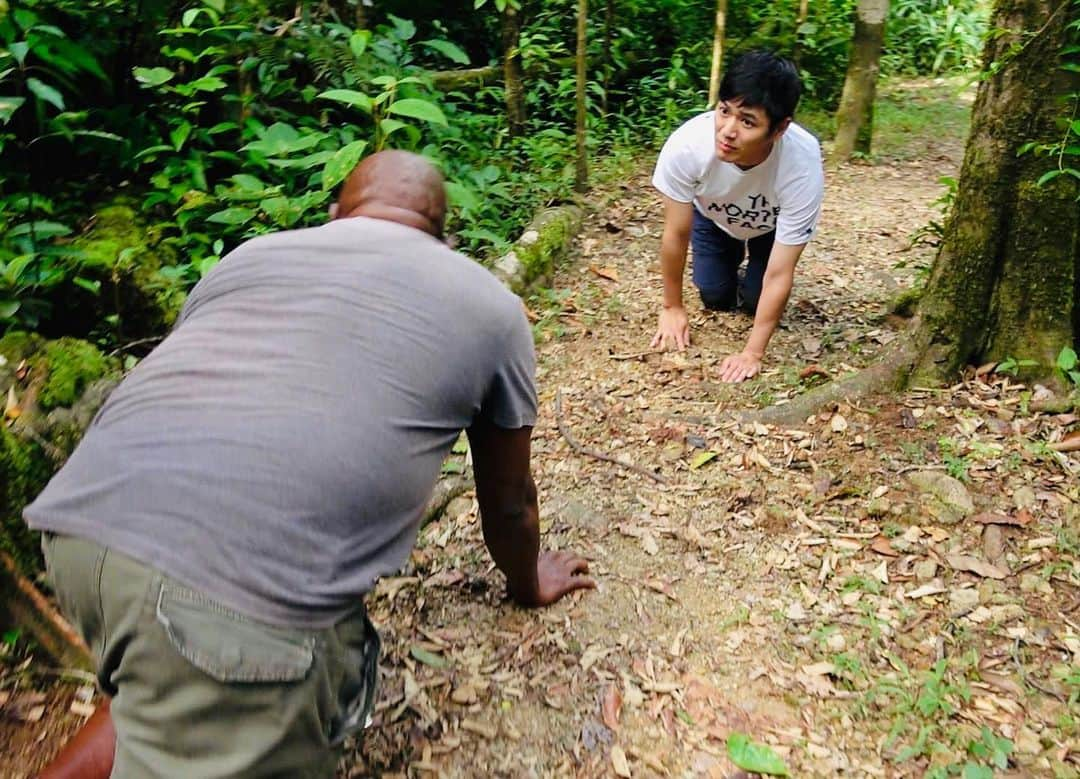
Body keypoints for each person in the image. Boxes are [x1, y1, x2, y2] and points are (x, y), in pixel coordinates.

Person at [25, 150, 595, 778]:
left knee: (169, 675)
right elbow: (509, 501)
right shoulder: (489, 305)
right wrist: (526, 579)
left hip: (79, 530)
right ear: (446, 238)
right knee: (197, 655)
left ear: (333, 217)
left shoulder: (250, 257)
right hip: (230, 590)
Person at [650, 50, 825, 383]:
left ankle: (751, 272)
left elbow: (783, 270)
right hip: (712, 218)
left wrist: (752, 353)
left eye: (747, 121)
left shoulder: (801, 166)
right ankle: (729, 265)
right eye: (724, 111)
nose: (727, 131)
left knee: (757, 302)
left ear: (780, 128)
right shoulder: (688, 146)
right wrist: (672, 307)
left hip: (768, 229)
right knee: (715, 296)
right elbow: (675, 233)